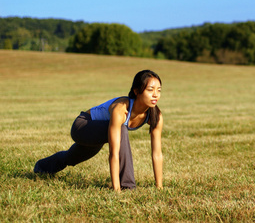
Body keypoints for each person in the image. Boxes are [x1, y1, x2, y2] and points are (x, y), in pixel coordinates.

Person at [34, 70, 164, 192]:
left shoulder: (155, 115)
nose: (155, 95)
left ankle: (41, 167)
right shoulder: (121, 109)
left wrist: (159, 187)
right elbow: (114, 153)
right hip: (83, 125)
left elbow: (157, 154)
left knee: (71, 157)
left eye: (159, 90)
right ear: (136, 91)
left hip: (100, 134)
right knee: (122, 129)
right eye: (150, 90)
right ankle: (127, 187)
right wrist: (117, 189)